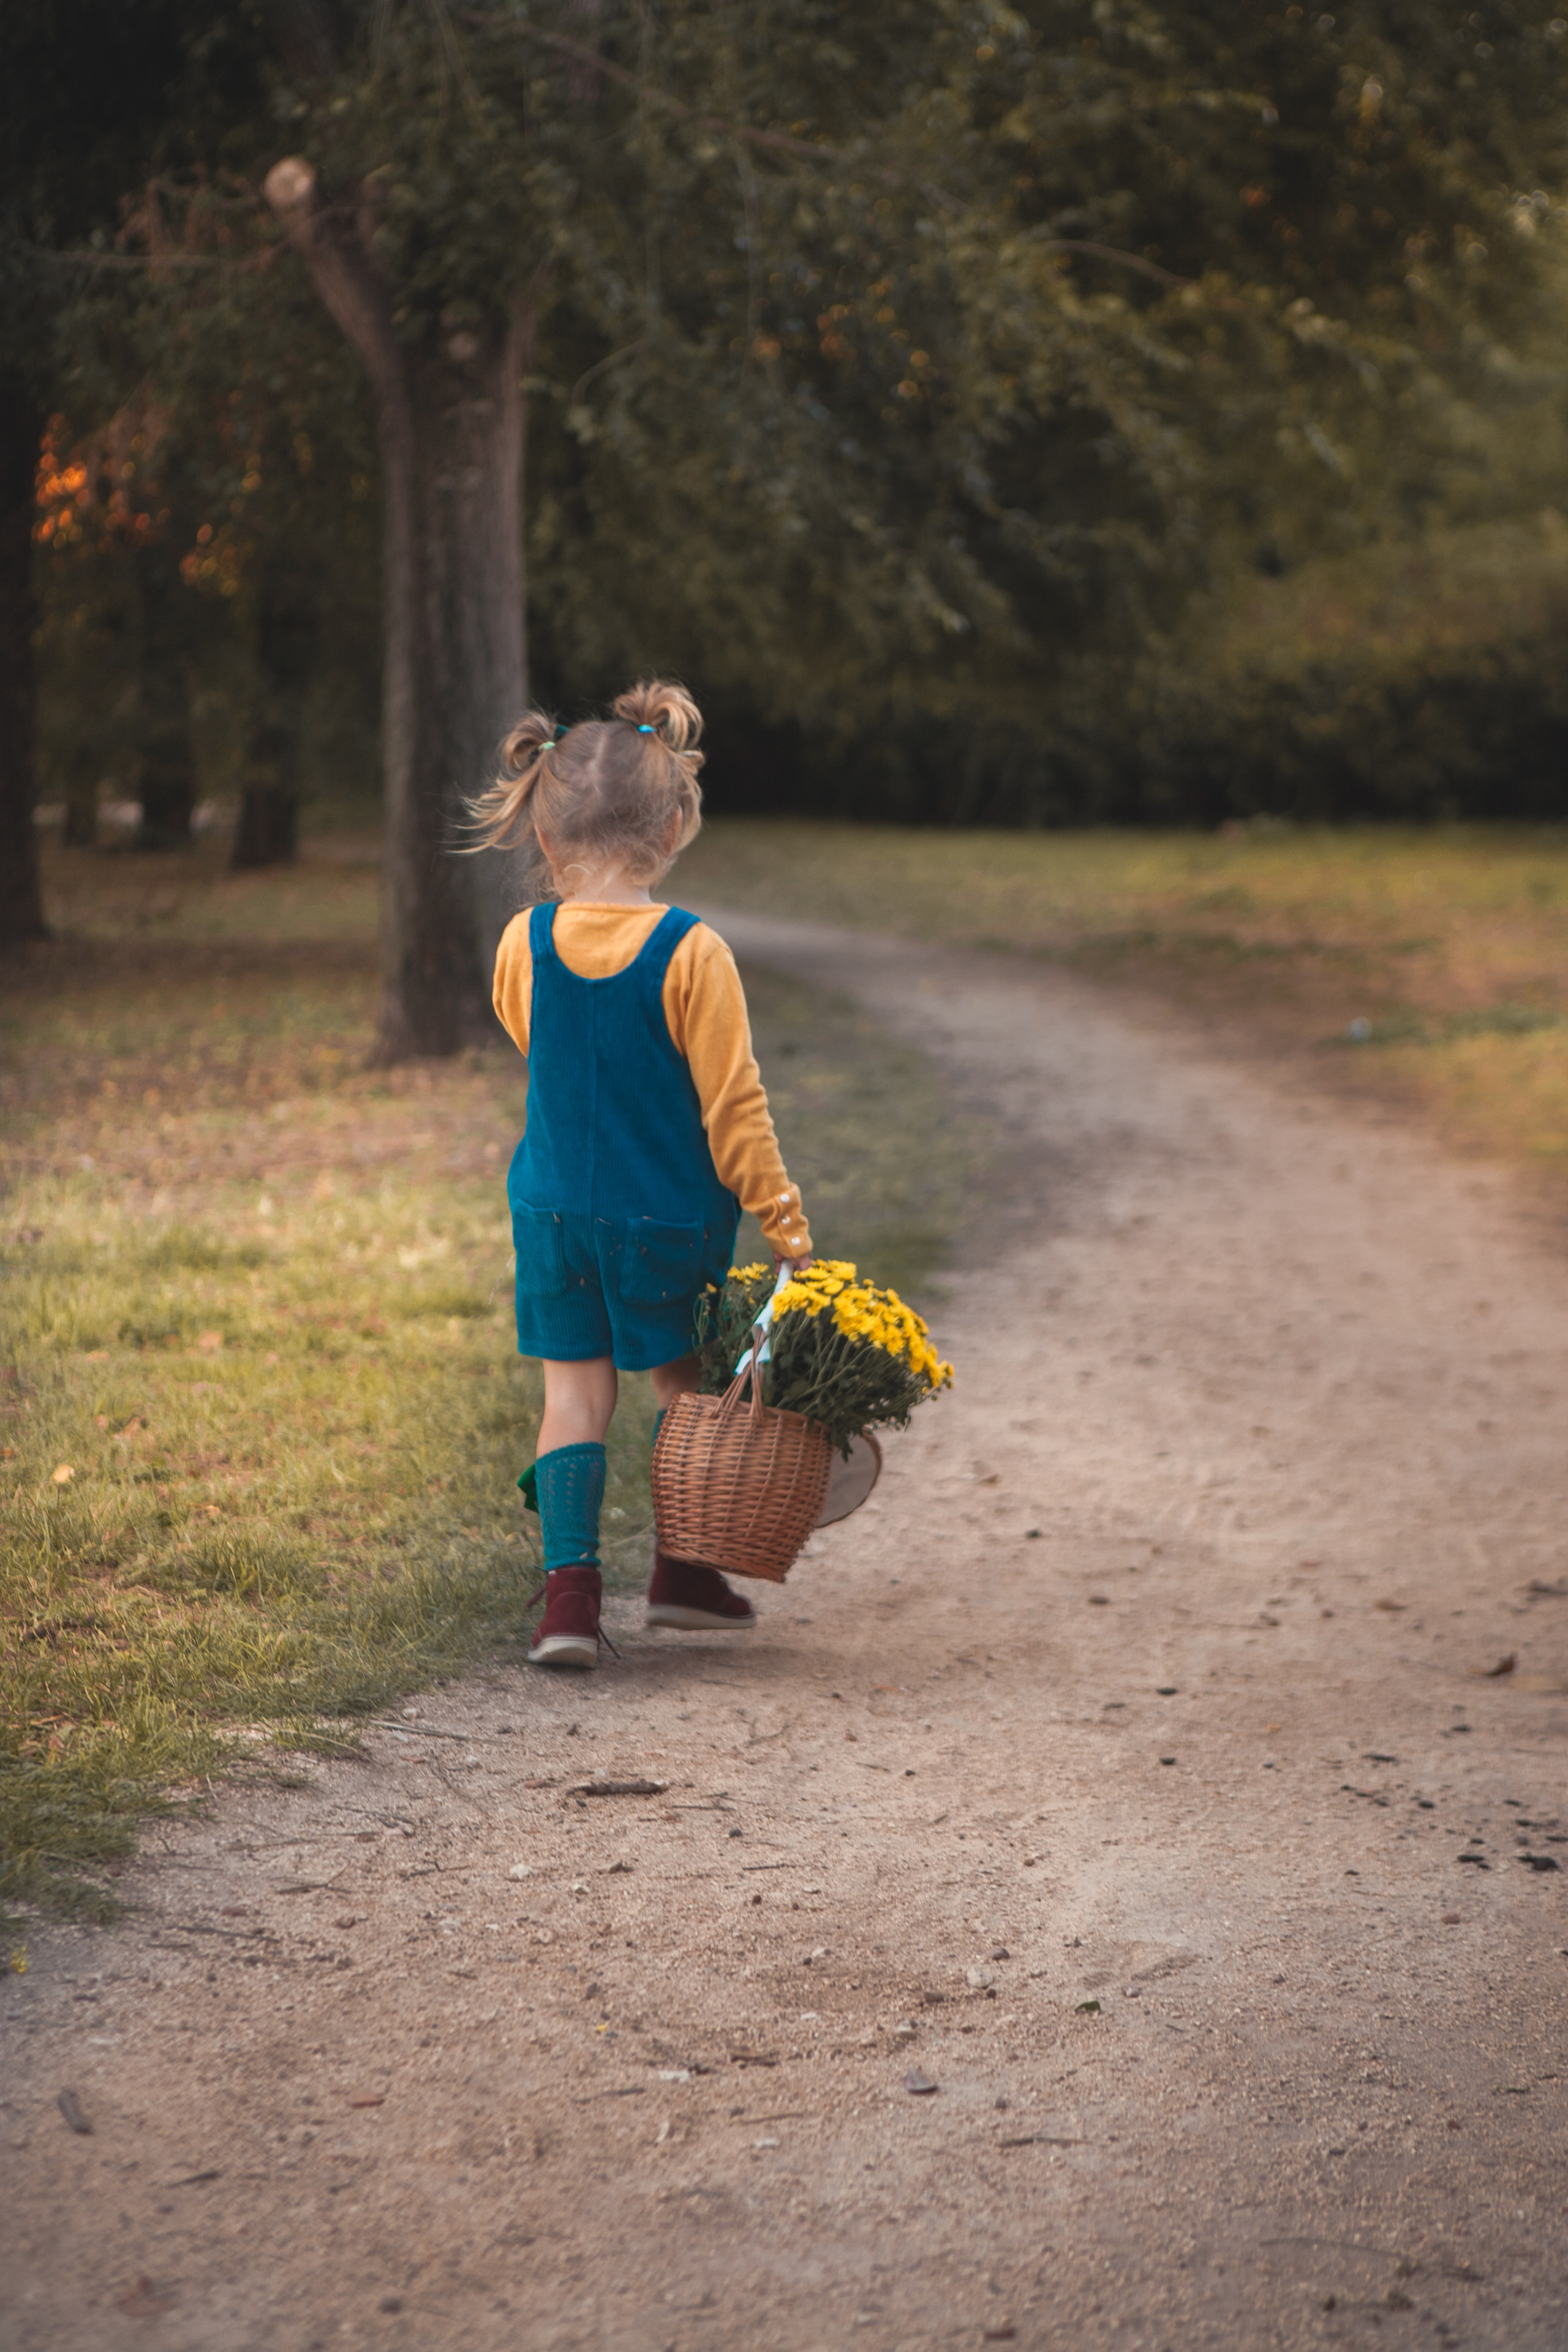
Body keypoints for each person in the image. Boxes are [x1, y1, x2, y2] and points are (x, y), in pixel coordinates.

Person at [472, 679, 813, 1667]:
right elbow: (734, 1106)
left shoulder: (521, 944)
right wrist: (784, 1223)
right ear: (672, 828)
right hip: (663, 1219)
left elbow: (531, 1041)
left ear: (545, 835)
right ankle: (683, 1576)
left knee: (572, 1401)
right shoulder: (692, 952)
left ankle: (569, 1606)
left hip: (550, 1215)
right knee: (684, 1390)